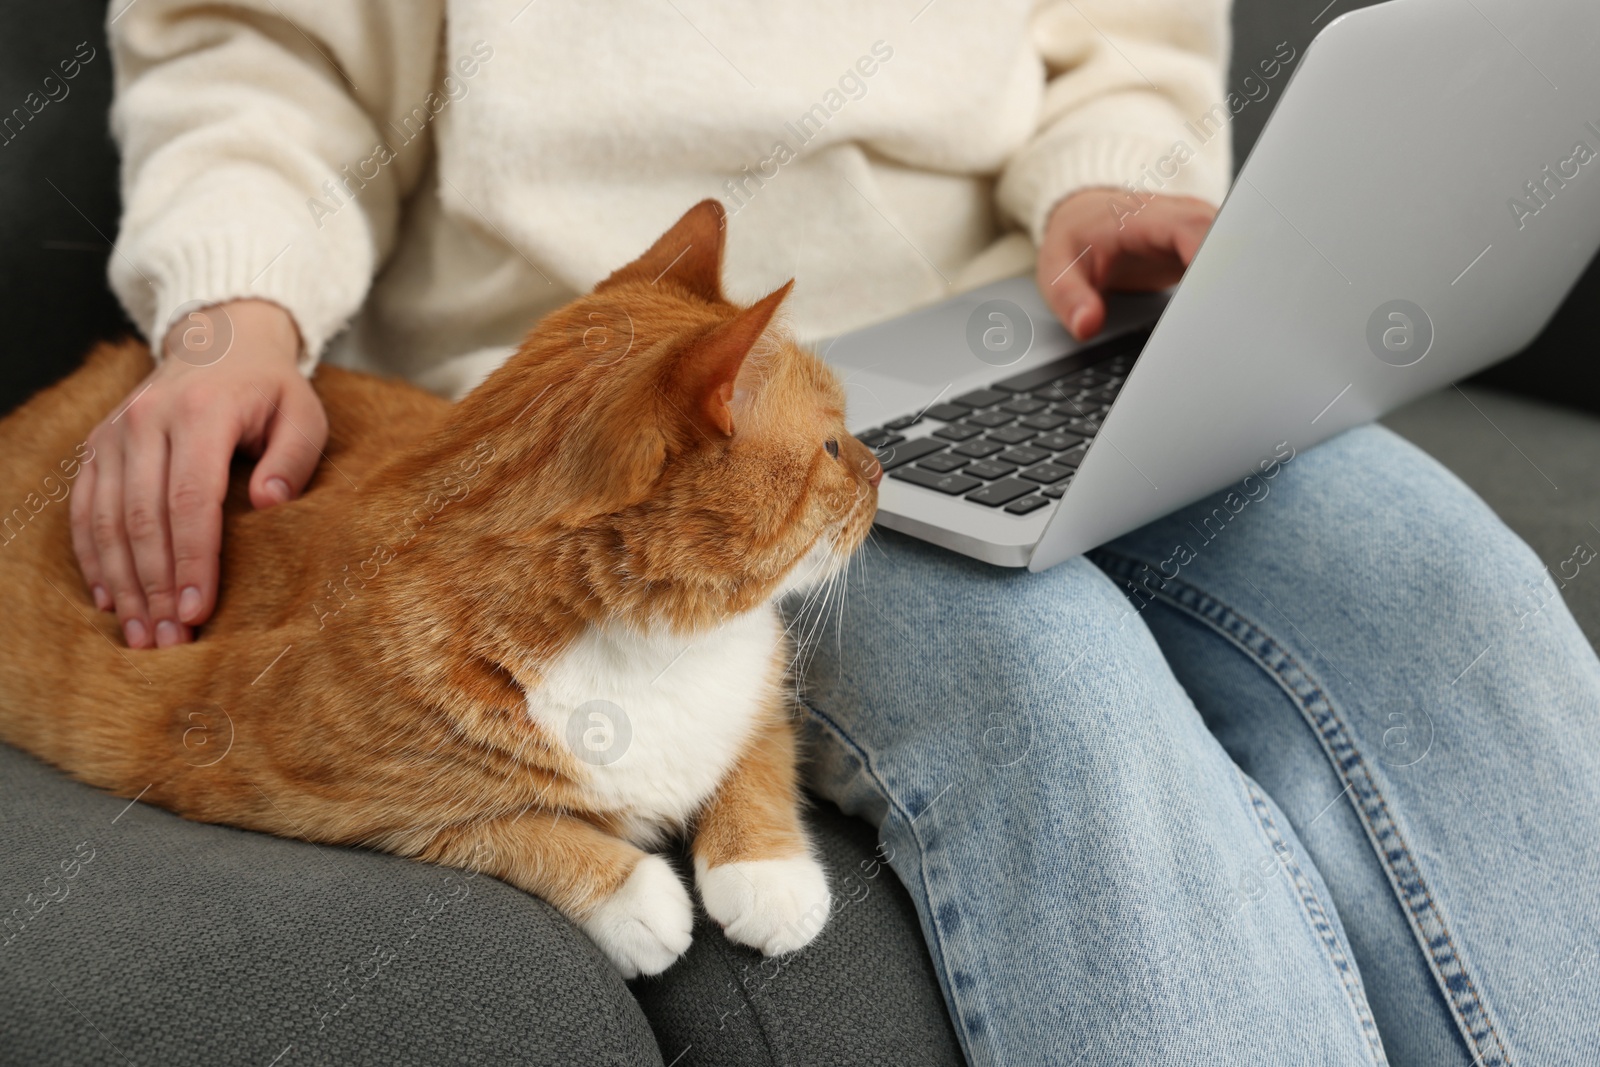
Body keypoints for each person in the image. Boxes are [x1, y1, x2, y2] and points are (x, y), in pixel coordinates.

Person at [85, 2, 1600, 1065]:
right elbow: (257, 56)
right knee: (1060, 703)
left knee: (1465, 604)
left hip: (1035, 314)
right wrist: (231, 309)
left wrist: (1114, 185)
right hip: (633, 419)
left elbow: (1115, 39)